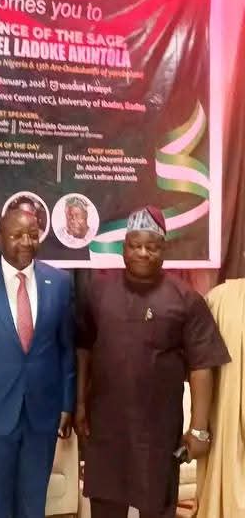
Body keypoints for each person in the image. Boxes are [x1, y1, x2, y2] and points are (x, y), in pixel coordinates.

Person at [75, 206, 230, 518]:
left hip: (157, 432)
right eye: (135, 245)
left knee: (157, 508)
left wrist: (199, 429)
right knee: (105, 507)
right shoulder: (98, 291)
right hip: (106, 427)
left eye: (151, 247)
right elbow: (83, 349)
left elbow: (202, 365)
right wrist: (79, 404)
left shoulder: (186, 299)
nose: (143, 253)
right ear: (123, 248)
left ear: (164, 249)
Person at [0, 206, 75, 518]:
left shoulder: (60, 282)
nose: (26, 242)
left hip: (42, 414)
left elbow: (66, 348)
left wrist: (67, 404)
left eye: (32, 235)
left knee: (33, 501)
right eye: (16, 235)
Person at [195, 278, 245, 517]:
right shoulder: (219, 299)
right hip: (227, 427)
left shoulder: (218, 297)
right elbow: (199, 369)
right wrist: (198, 429)